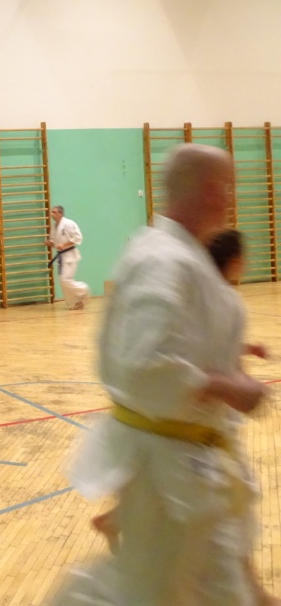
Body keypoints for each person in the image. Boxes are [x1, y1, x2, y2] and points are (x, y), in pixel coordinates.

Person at [52, 144, 268, 606]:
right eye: (226, 188)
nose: (229, 199)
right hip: (165, 471)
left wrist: (231, 359)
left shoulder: (178, 255)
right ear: (209, 191)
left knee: (222, 592)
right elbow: (144, 365)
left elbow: (186, 339)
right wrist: (228, 386)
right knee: (141, 593)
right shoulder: (164, 260)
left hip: (192, 466)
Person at [88, 227, 279, 605]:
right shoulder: (220, 298)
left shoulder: (197, 293)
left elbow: (194, 351)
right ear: (236, 262)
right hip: (206, 431)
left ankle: (118, 521)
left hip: (181, 428)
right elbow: (204, 364)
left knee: (205, 505)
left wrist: (244, 350)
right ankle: (250, 592)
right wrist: (240, 386)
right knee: (232, 509)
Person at [47, 205, 89, 310]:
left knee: (65, 280)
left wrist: (64, 245)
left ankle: (83, 290)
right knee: (63, 282)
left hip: (70, 257)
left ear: (60, 213)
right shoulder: (55, 226)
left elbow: (78, 237)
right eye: (52, 212)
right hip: (62, 257)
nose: (52, 214)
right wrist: (49, 243)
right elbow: (54, 242)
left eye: (54, 212)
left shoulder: (69, 223)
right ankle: (77, 302)